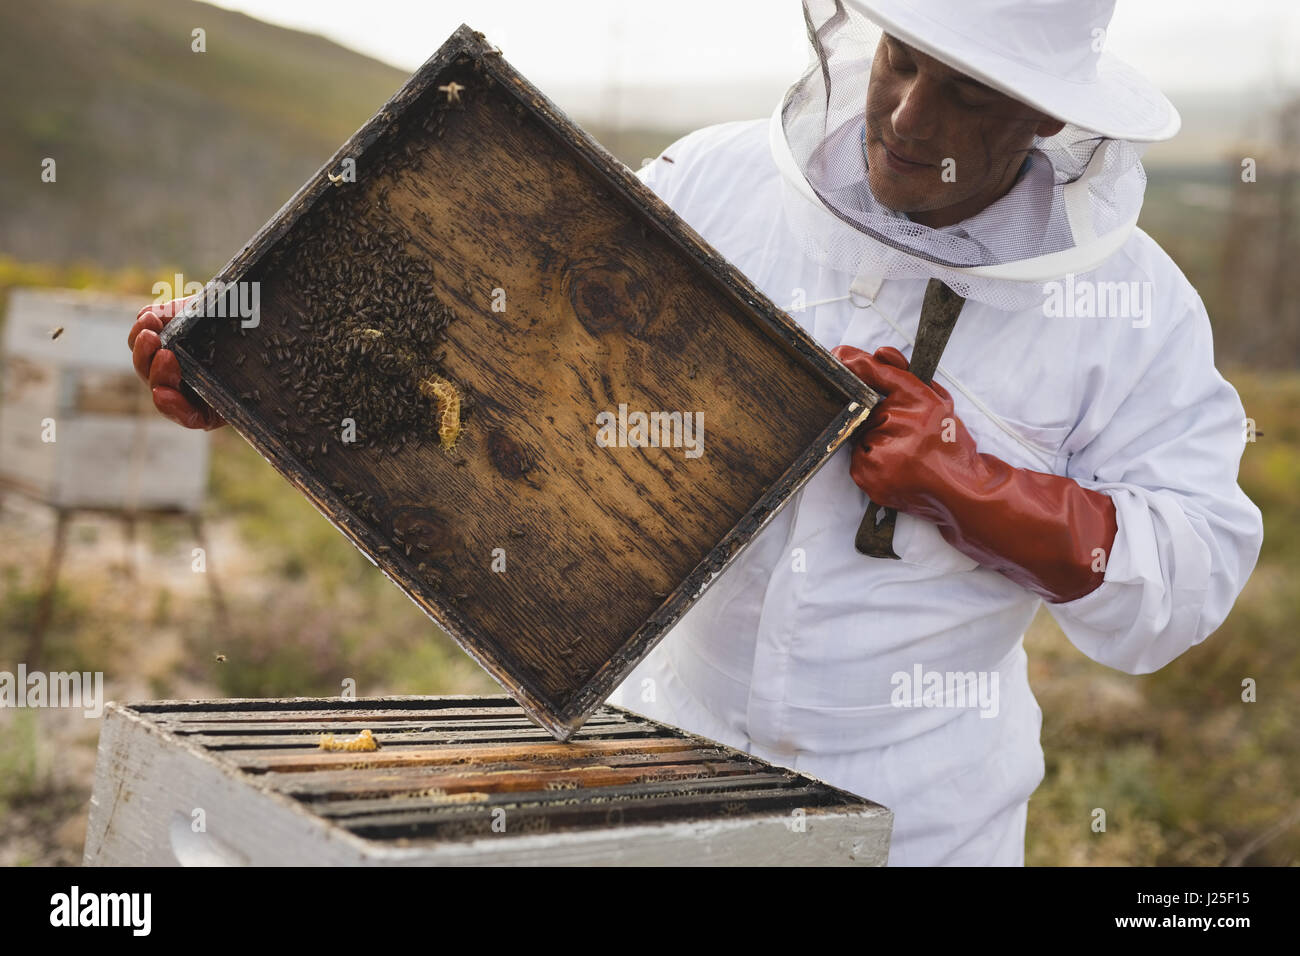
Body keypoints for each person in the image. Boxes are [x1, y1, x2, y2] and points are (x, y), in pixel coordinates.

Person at [130, 0, 1264, 866]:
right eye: (899, 61)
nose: (911, 118)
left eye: (964, 94)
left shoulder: (1131, 309)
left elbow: (1189, 578)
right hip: (652, 770)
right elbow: (508, 358)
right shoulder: (713, 179)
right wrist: (264, 368)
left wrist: (974, 485)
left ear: (1047, 115)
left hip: (923, 821)